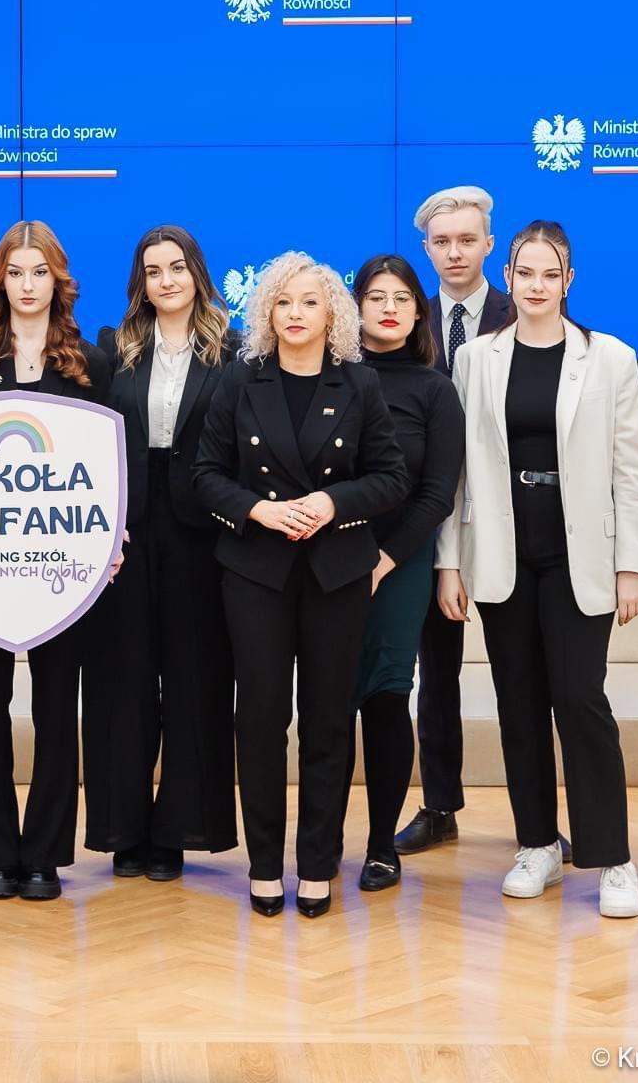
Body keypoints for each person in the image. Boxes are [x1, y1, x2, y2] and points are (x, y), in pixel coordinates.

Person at [435, 220, 638, 919]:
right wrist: (448, 563)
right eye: (524, 273)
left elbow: (632, 471)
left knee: (581, 702)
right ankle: (537, 845)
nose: (536, 286)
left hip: (580, 558)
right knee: (518, 704)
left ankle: (611, 857)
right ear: (508, 277)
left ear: (569, 280)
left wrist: (631, 567)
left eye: (549, 275)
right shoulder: (476, 359)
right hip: (503, 556)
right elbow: (456, 473)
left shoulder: (610, 358)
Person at [192, 251, 407, 919]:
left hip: (335, 573)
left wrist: (333, 502)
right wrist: (258, 511)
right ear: (266, 311)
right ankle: (263, 866)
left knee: (328, 723)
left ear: (332, 312)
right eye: (283, 301)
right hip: (255, 572)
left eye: (310, 301)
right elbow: (205, 475)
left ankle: (317, 865)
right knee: (259, 721)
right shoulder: (239, 379)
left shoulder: (360, 383)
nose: (295, 313)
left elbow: (392, 477)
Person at [0, 220, 113, 902]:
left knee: (55, 709)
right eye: (15, 273)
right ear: (0, 281)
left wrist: (111, 541)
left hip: (61, 566)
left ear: (58, 279)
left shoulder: (90, 360)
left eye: (39, 272)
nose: (27, 285)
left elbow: (106, 465)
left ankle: (43, 855)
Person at [85, 225, 238, 882]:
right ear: (140, 284)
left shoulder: (234, 350)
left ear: (197, 273)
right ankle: (124, 830)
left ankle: (180, 829)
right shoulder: (112, 347)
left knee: (195, 679)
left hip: (203, 532)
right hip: (125, 530)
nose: (167, 280)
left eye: (177, 267)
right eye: (153, 271)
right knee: (121, 679)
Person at [336, 255, 462, 893]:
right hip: (327, 559)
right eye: (376, 297)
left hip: (401, 562)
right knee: (329, 701)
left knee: (387, 696)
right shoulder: (329, 375)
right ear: (354, 306)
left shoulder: (435, 389)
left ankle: (381, 845)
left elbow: (438, 492)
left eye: (402, 298)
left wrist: (385, 559)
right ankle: (321, 842)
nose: (389, 308)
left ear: (419, 313)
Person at [398, 185, 513, 857]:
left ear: (489, 245)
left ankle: (536, 818)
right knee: (435, 675)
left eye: (467, 240)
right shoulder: (407, 318)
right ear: (426, 248)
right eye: (442, 242)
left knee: (524, 676)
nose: (455, 252)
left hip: (509, 523)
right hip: (428, 521)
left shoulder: (524, 310)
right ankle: (439, 805)